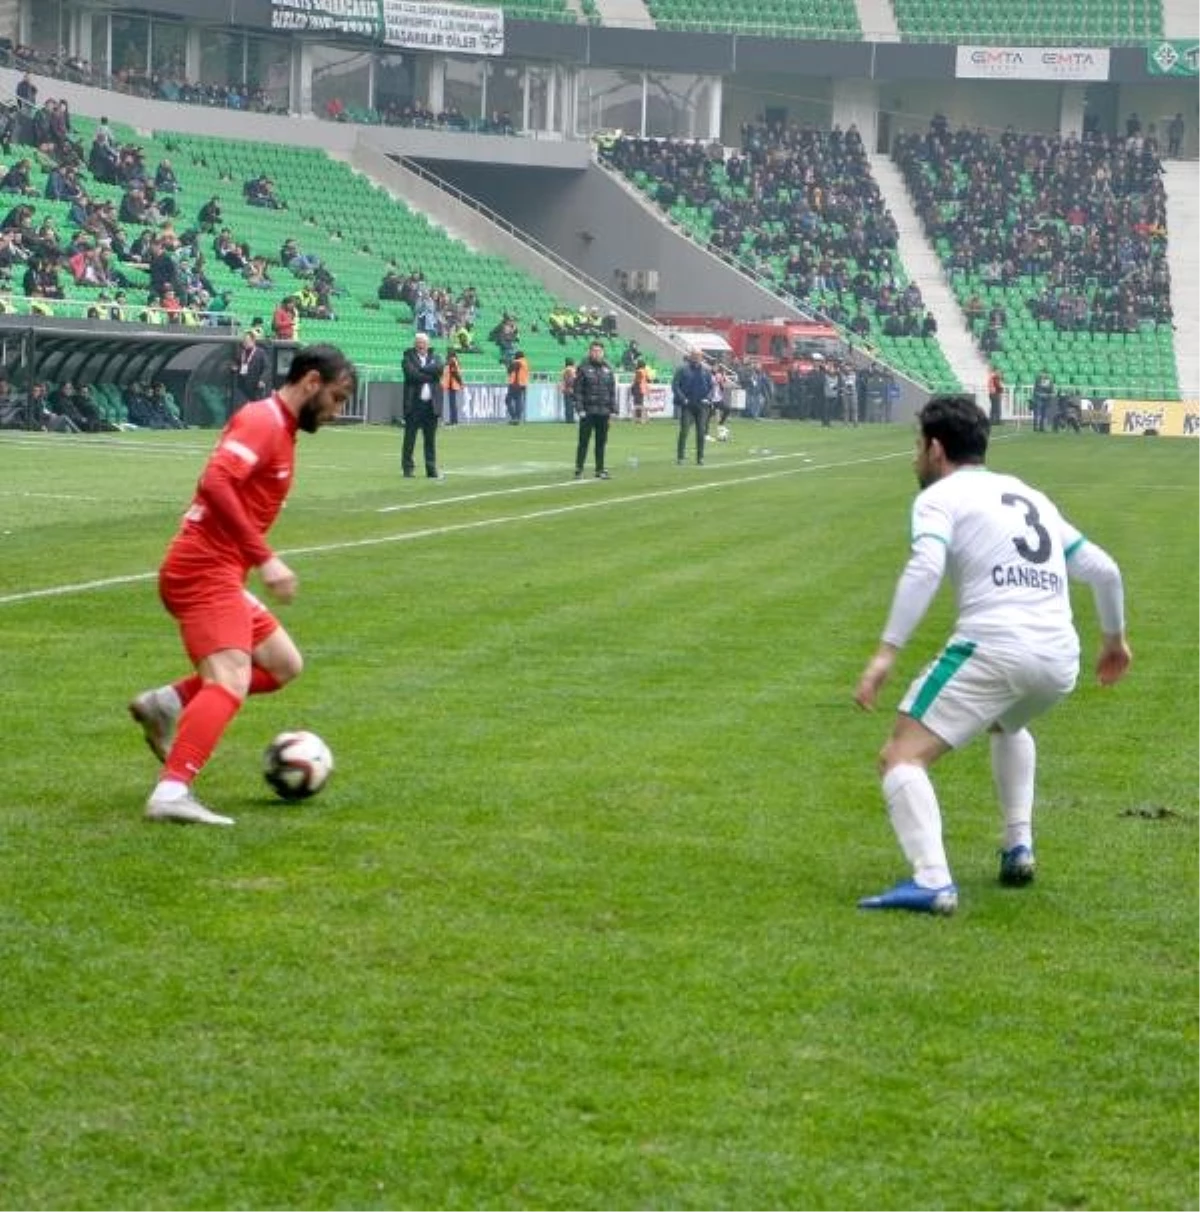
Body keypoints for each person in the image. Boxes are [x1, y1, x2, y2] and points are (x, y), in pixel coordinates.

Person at [853, 395, 1130, 915]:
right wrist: (1114, 640)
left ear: (936, 449)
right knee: (1008, 723)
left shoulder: (939, 497)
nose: (915, 458)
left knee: (900, 757)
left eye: (917, 447)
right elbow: (1106, 571)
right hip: (1059, 657)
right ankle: (1018, 844)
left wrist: (886, 653)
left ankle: (933, 880)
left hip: (997, 646)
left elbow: (925, 566)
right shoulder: (1029, 494)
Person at [129, 345, 357, 826]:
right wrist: (266, 560)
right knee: (230, 679)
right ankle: (172, 791)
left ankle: (165, 703)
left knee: (282, 664)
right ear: (311, 382)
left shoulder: (282, 429)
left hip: (221, 571)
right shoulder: (263, 421)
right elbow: (215, 482)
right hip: (203, 570)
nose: (336, 412)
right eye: (336, 398)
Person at [401, 331, 443, 479]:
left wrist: (422, 370)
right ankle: (408, 469)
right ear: (415, 344)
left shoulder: (435, 357)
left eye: (423, 343)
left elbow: (439, 369)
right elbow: (412, 375)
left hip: (431, 406)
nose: (420, 345)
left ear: (428, 345)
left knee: (430, 440)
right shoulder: (407, 358)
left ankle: (431, 469)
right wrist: (430, 374)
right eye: (418, 343)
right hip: (414, 404)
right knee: (410, 439)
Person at [573, 340, 617, 479]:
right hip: (588, 411)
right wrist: (579, 408)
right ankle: (579, 468)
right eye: (594, 351)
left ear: (603, 353)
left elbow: (611, 391)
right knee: (583, 442)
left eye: (599, 351)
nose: (596, 353)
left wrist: (613, 410)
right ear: (590, 352)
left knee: (601, 442)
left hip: (603, 412)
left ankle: (600, 469)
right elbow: (578, 390)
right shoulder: (583, 368)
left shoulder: (608, 369)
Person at [672, 348, 713, 466]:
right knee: (684, 431)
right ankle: (681, 457)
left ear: (701, 358)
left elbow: (711, 387)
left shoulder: (706, 371)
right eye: (694, 356)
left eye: (698, 356)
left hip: (702, 405)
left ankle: (700, 457)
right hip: (688, 404)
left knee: (701, 431)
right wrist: (683, 399)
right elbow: (675, 386)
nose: (696, 358)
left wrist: (708, 398)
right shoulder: (682, 369)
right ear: (690, 356)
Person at [232, 331, 268, 411]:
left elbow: (266, 368)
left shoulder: (260, 353)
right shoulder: (241, 352)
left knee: (256, 408)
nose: (245, 343)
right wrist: (235, 367)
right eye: (244, 341)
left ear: (253, 341)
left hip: (255, 385)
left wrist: (262, 380)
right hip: (242, 385)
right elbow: (237, 363)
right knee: (242, 407)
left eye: (247, 341)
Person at [504, 349, 528, 425]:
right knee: (518, 401)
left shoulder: (517, 362)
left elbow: (509, 370)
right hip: (522, 384)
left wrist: (508, 364)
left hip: (515, 384)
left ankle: (514, 417)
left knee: (508, 400)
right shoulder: (525, 362)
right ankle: (518, 418)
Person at [442, 350, 463, 427]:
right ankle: (453, 420)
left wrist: (460, 383)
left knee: (452, 403)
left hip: (452, 384)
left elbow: (454, 373)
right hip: (451, 384)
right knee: (452, 403)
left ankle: (453, 420)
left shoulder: (452, 361)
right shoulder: (454, 361)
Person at [631, 358, 650, 425]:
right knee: (641, 404)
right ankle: (644, 418)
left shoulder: (638, 371)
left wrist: (632, 387)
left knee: (637, 404)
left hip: (638, 388)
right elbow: (648, 379)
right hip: (643, 388)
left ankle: (638, 419)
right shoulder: (644, 371)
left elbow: (637, 381)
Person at [560, 358, 576, 423]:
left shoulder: (565, 370)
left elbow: (565, 380)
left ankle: (569, 419)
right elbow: (572, 380)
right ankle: (570, 419)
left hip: (567, 390)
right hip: (571, 389)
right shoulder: (572, 370)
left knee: (568, 405)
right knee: (571, 405)